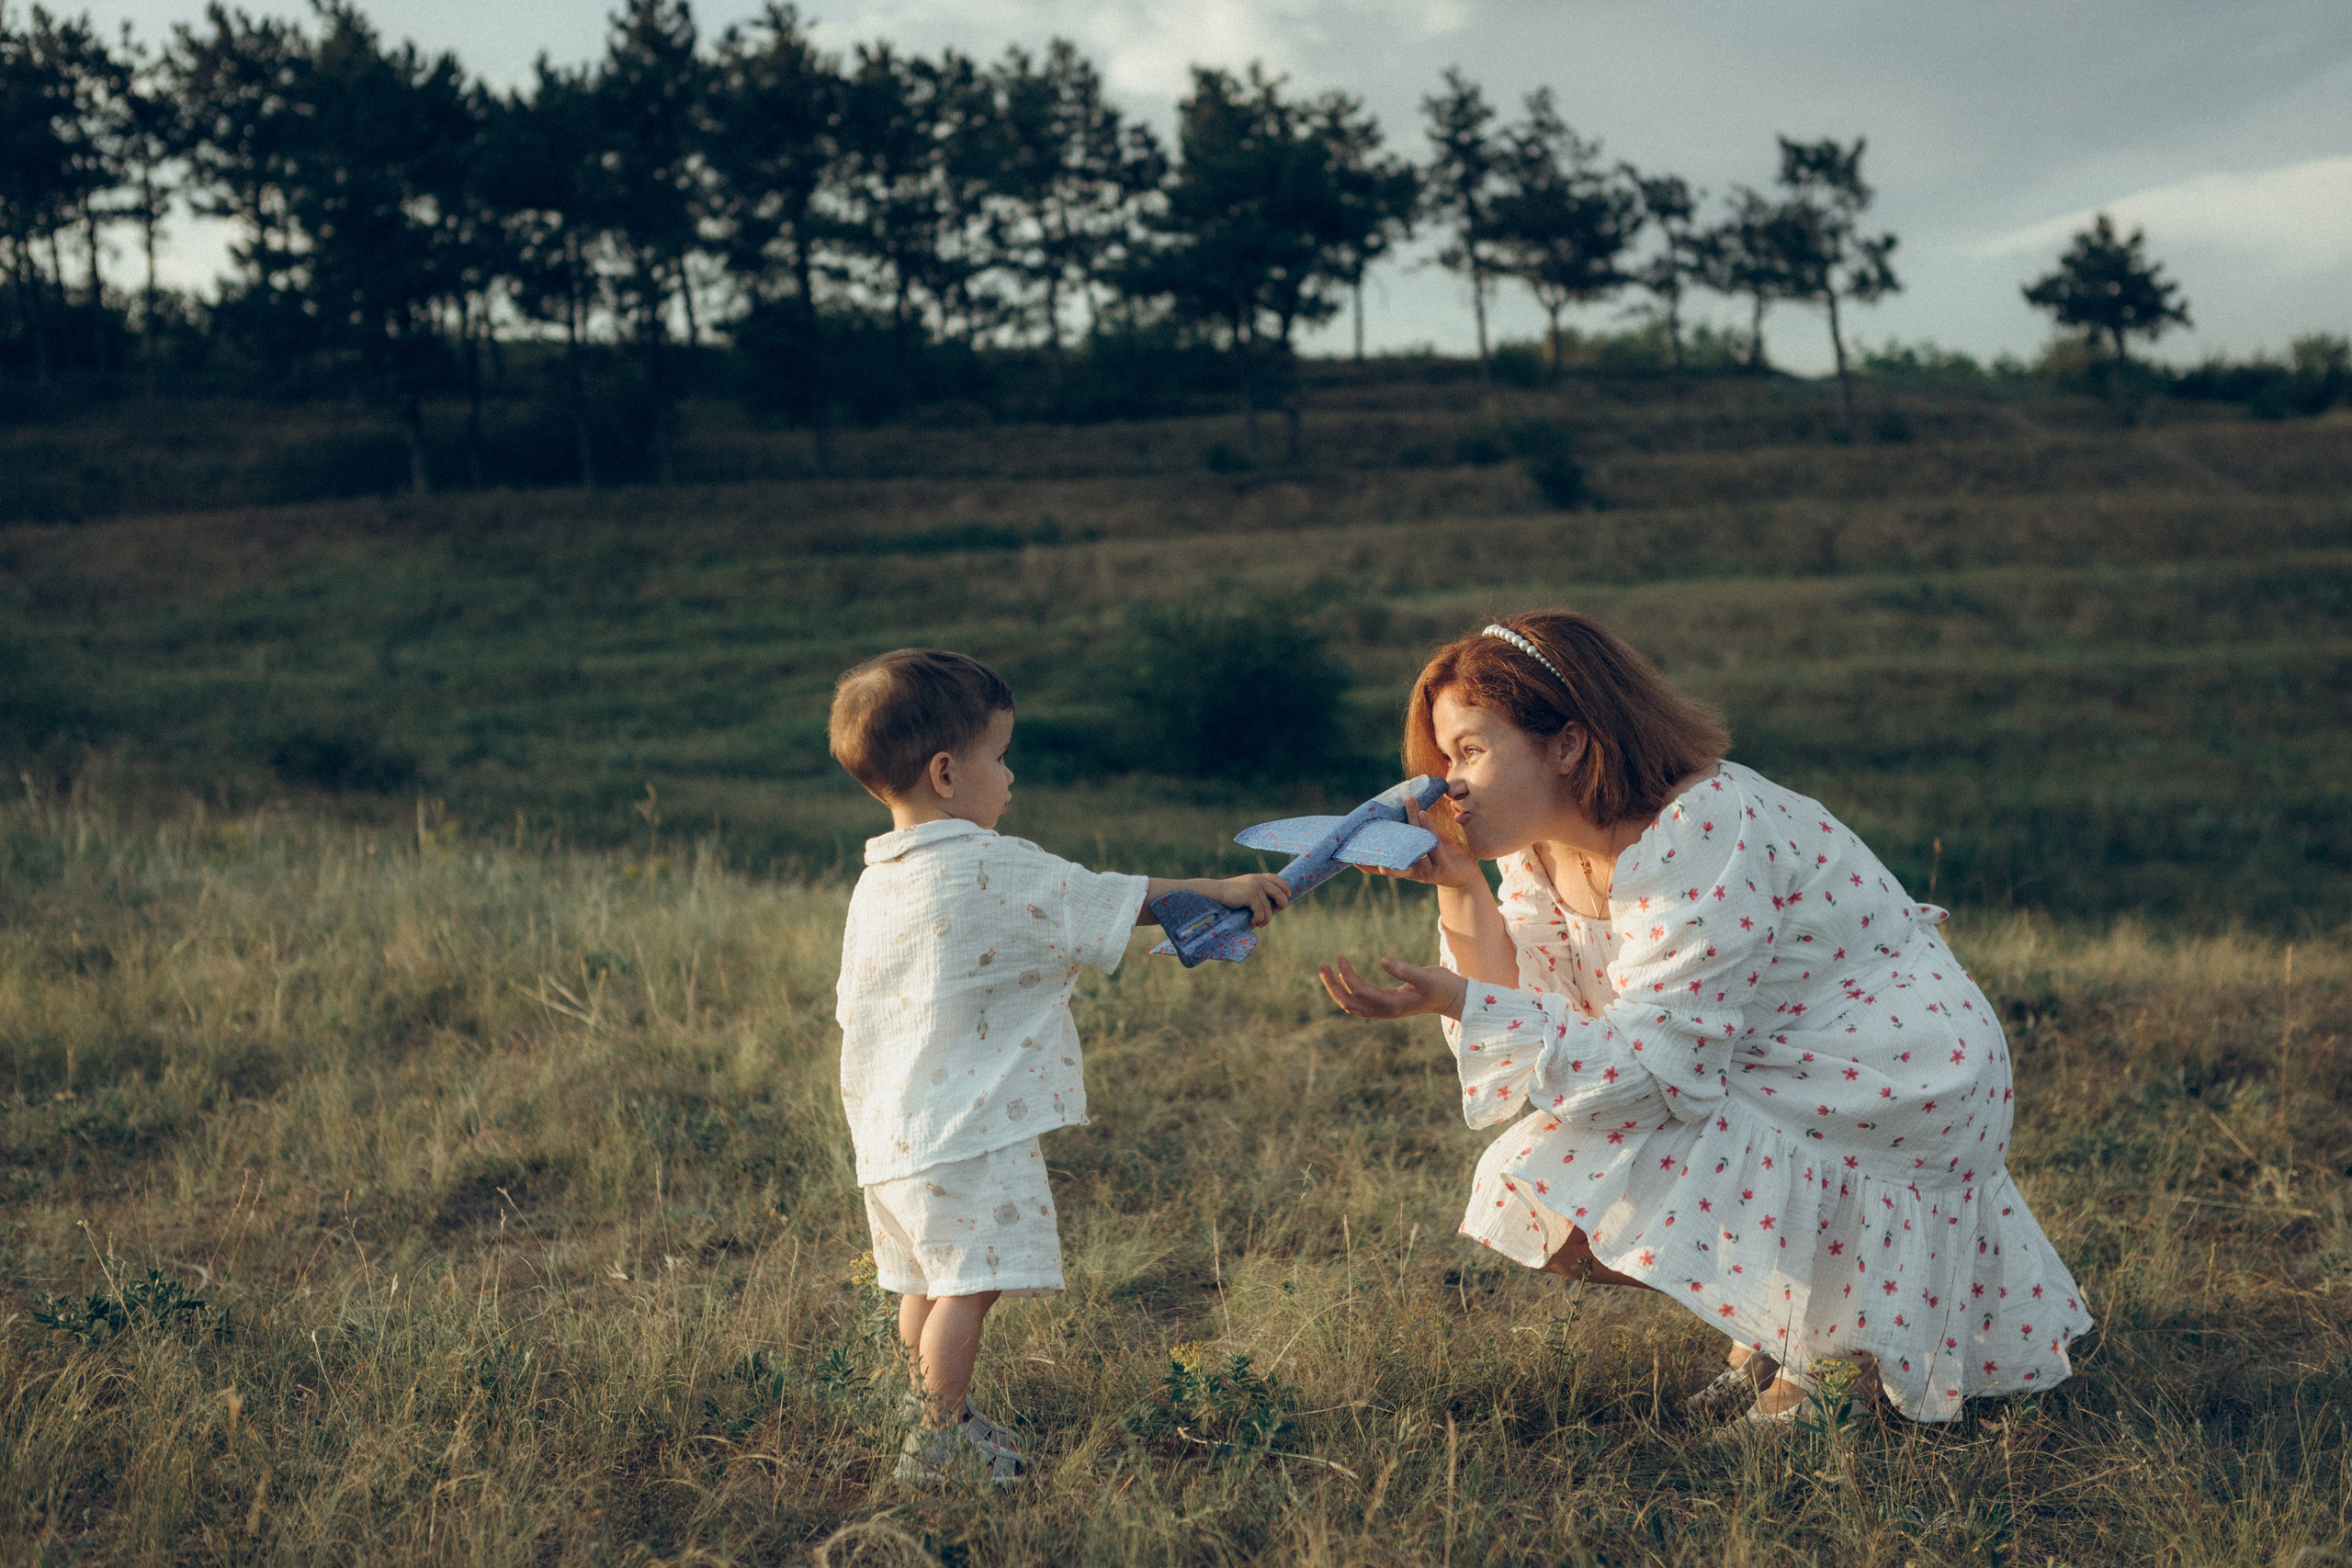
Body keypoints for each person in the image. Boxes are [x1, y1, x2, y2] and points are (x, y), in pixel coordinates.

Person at [1317, 612, 2090, 1427]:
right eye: (1441, 759)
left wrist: (1456, 998)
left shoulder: (1701, 824)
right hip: (1765, 1061)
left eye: (1470, 749)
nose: (1446, 784)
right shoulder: (1538, 846)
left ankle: (1825, 1355)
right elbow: (1537, 1010)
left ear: (1570, 743)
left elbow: (1654, 1077)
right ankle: (1785, 1332)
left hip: (1898, 1070)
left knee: (1576, 1166)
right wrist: (1460, 888)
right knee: (1545, 1181)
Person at [829, 648, 1292, 1484]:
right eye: (999, 758)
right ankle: (934, 1442)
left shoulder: (878, 878)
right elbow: (1111, 896)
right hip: (969, 1127)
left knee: (925, 1281)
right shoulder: (994, 862)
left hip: (891, 1130)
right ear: (944, 772)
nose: (1010, 777)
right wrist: (1219, 888)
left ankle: (937, 1413)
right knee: (971, 1285)